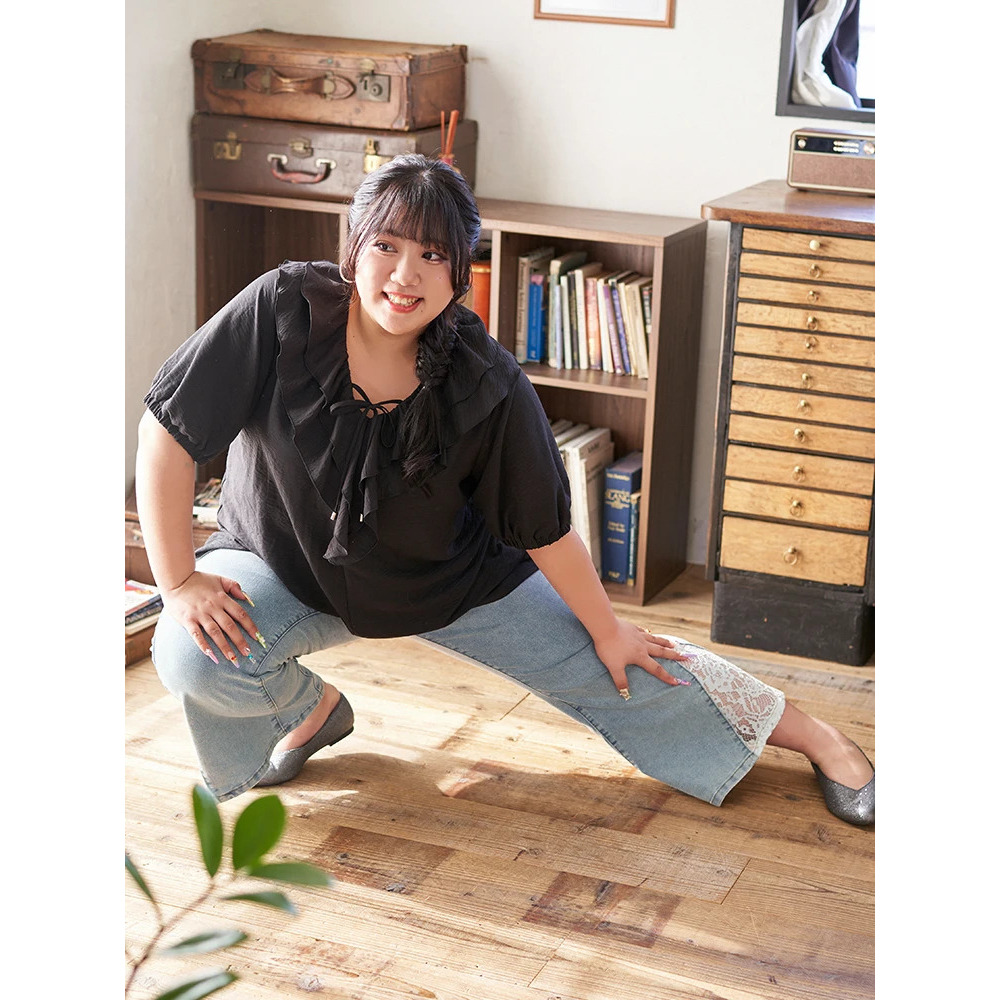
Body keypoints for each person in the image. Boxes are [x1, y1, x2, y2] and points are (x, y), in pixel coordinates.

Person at [135, 154, 874, 826]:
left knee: (625, 663)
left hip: (448, 582)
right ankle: (310, 712)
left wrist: (608, 629)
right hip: (285, 565)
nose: (406, 275)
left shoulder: (486, 379)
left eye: (433, 256)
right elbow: (167, 433)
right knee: (192, 650)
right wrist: (178, 582)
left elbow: (546, 530)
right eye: (387, 245)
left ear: (462, 274)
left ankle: (820, 739)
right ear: (353, 246)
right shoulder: (281, 308)